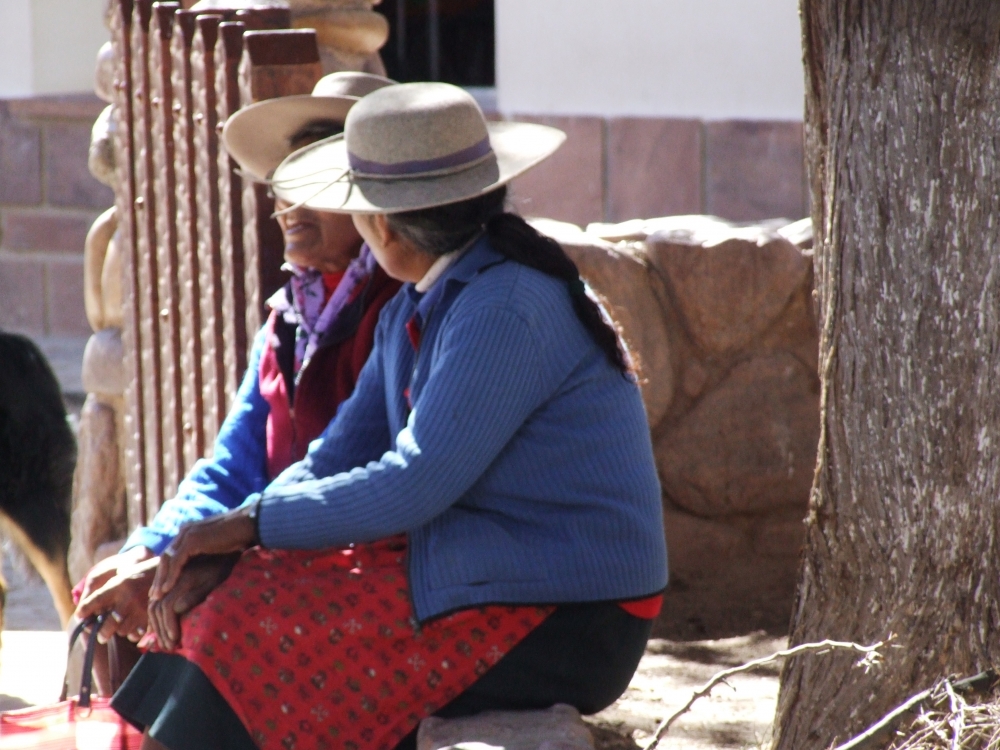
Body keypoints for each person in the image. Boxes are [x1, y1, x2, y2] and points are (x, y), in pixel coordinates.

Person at [106, 82, 669, 750]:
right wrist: (236, 545)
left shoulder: (505, 306)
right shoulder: (418, 305)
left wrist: (249, 525)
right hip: (489, 578)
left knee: (242, 628)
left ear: (386, 225)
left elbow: (415, 480)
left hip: (572, 617)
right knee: (227, 599)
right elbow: (335, 456)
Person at [74, 72, 401, 686]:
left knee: (208, 613)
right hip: (272, 537)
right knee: (118, 597)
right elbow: (232, 465)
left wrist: (232, 552)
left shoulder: (398, 305)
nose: (289, 203)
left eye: (316, 178)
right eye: (284, 179)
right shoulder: (288, 319)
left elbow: (363, 475)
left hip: (349, 555)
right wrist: (155, 547)